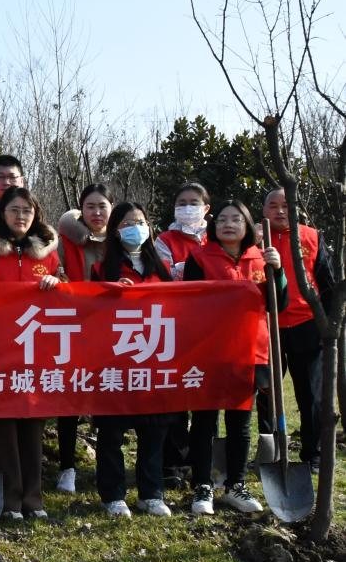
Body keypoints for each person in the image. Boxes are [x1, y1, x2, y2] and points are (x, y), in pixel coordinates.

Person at [0, 187, 61, 520]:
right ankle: (9, 500)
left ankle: (33, 498)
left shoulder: (47, 254)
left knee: (32, 422)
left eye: (27, 211)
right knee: (1, 425)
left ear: (36, 215)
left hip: (35, 350)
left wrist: (56, 282)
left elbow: (67, 289)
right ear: (2, 214)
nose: (21, 216)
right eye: (14, 210)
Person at [182, 199, 285, 516]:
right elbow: (189, 302)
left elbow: (278, 303)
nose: (228, 224)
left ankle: (236, 484)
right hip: (209, 351)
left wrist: (278, 271)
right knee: (204, 420)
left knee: (240, 421)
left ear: (247, 225)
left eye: (236, 219)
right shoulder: (200, 257)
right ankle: (203, 484)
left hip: (250, 350)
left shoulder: (261, 258)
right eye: (223, 219)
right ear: (213, 226)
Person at [90, 202, 174, 517]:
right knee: (111, 432)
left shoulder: (162, 268)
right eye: (126, 223)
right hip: (114, 360)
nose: (135, 228)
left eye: (140, 222)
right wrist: (109, 292)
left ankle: (151, 493)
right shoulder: (102, 269)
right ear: (114, 231)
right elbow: (88, 310)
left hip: (153, 358)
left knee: (154, 430)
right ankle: (113, 495)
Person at [262, 188, 335, 472]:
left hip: (307, 324)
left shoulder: (312, 237)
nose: (280, 211)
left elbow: (327, 284)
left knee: (311, 396)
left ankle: (313, 453)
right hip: (267, 326)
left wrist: (328, 325)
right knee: (267, 393)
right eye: (273, 205)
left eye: (286, 205)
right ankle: (270, 452)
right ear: (264, 210)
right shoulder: (255, 239)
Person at [53, 183, 114, 495]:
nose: (97, 212)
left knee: (108, 394)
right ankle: (67, 468)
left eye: (102, 206)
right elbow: (56, 271)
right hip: (73, 327)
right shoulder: (65, 240)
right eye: (90, 206)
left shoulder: (121, 240)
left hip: (114, 330)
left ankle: (107, 464)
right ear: (80, 210)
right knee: (70, 398)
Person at [153, 181, 212, 487]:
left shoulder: (217, 237)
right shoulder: (165, 239)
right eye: (181, 202)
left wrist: (185, 270)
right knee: (174, 394)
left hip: (211, 328)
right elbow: (165, 273)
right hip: (174, 323)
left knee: (205, 395)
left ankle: (203, 460)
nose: (187, 207)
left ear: (206, 208)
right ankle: (173, 462)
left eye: (193, 202)